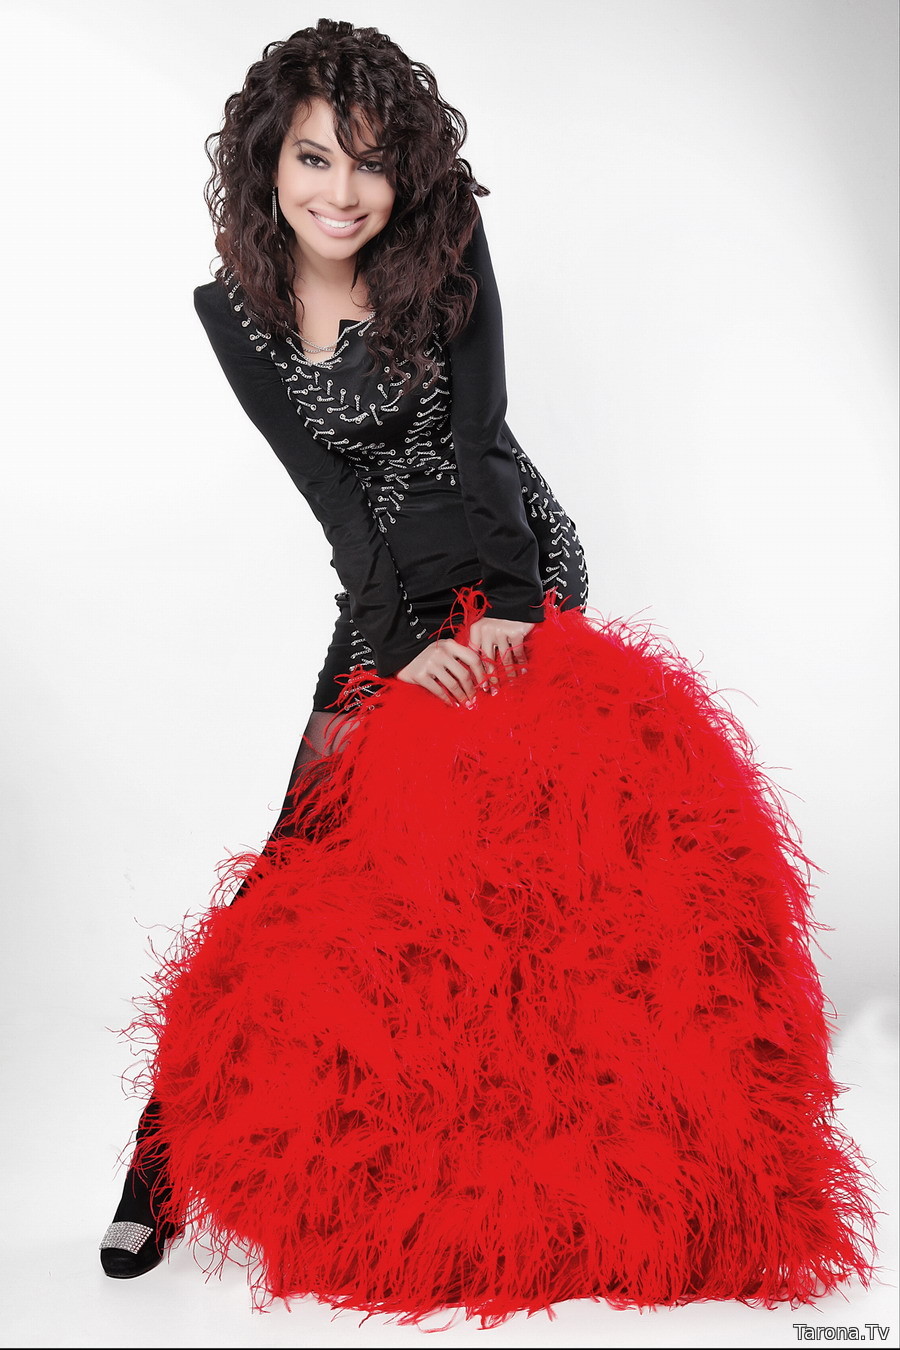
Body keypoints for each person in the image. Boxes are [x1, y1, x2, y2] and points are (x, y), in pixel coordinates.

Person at [100, 18, 875, 1325]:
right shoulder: (229, 309)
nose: (342, 190)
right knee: (299, 858)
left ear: (406, 171)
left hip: (512, 557)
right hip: (390, 593)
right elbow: (333, 497)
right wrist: (400, 646)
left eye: (370, 161)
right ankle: (155, 1168)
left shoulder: (446, 243)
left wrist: (511, 606)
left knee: (536, 860)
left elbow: (478, 432)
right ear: (268, 161)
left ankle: (558, 1144)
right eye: (314, 157)